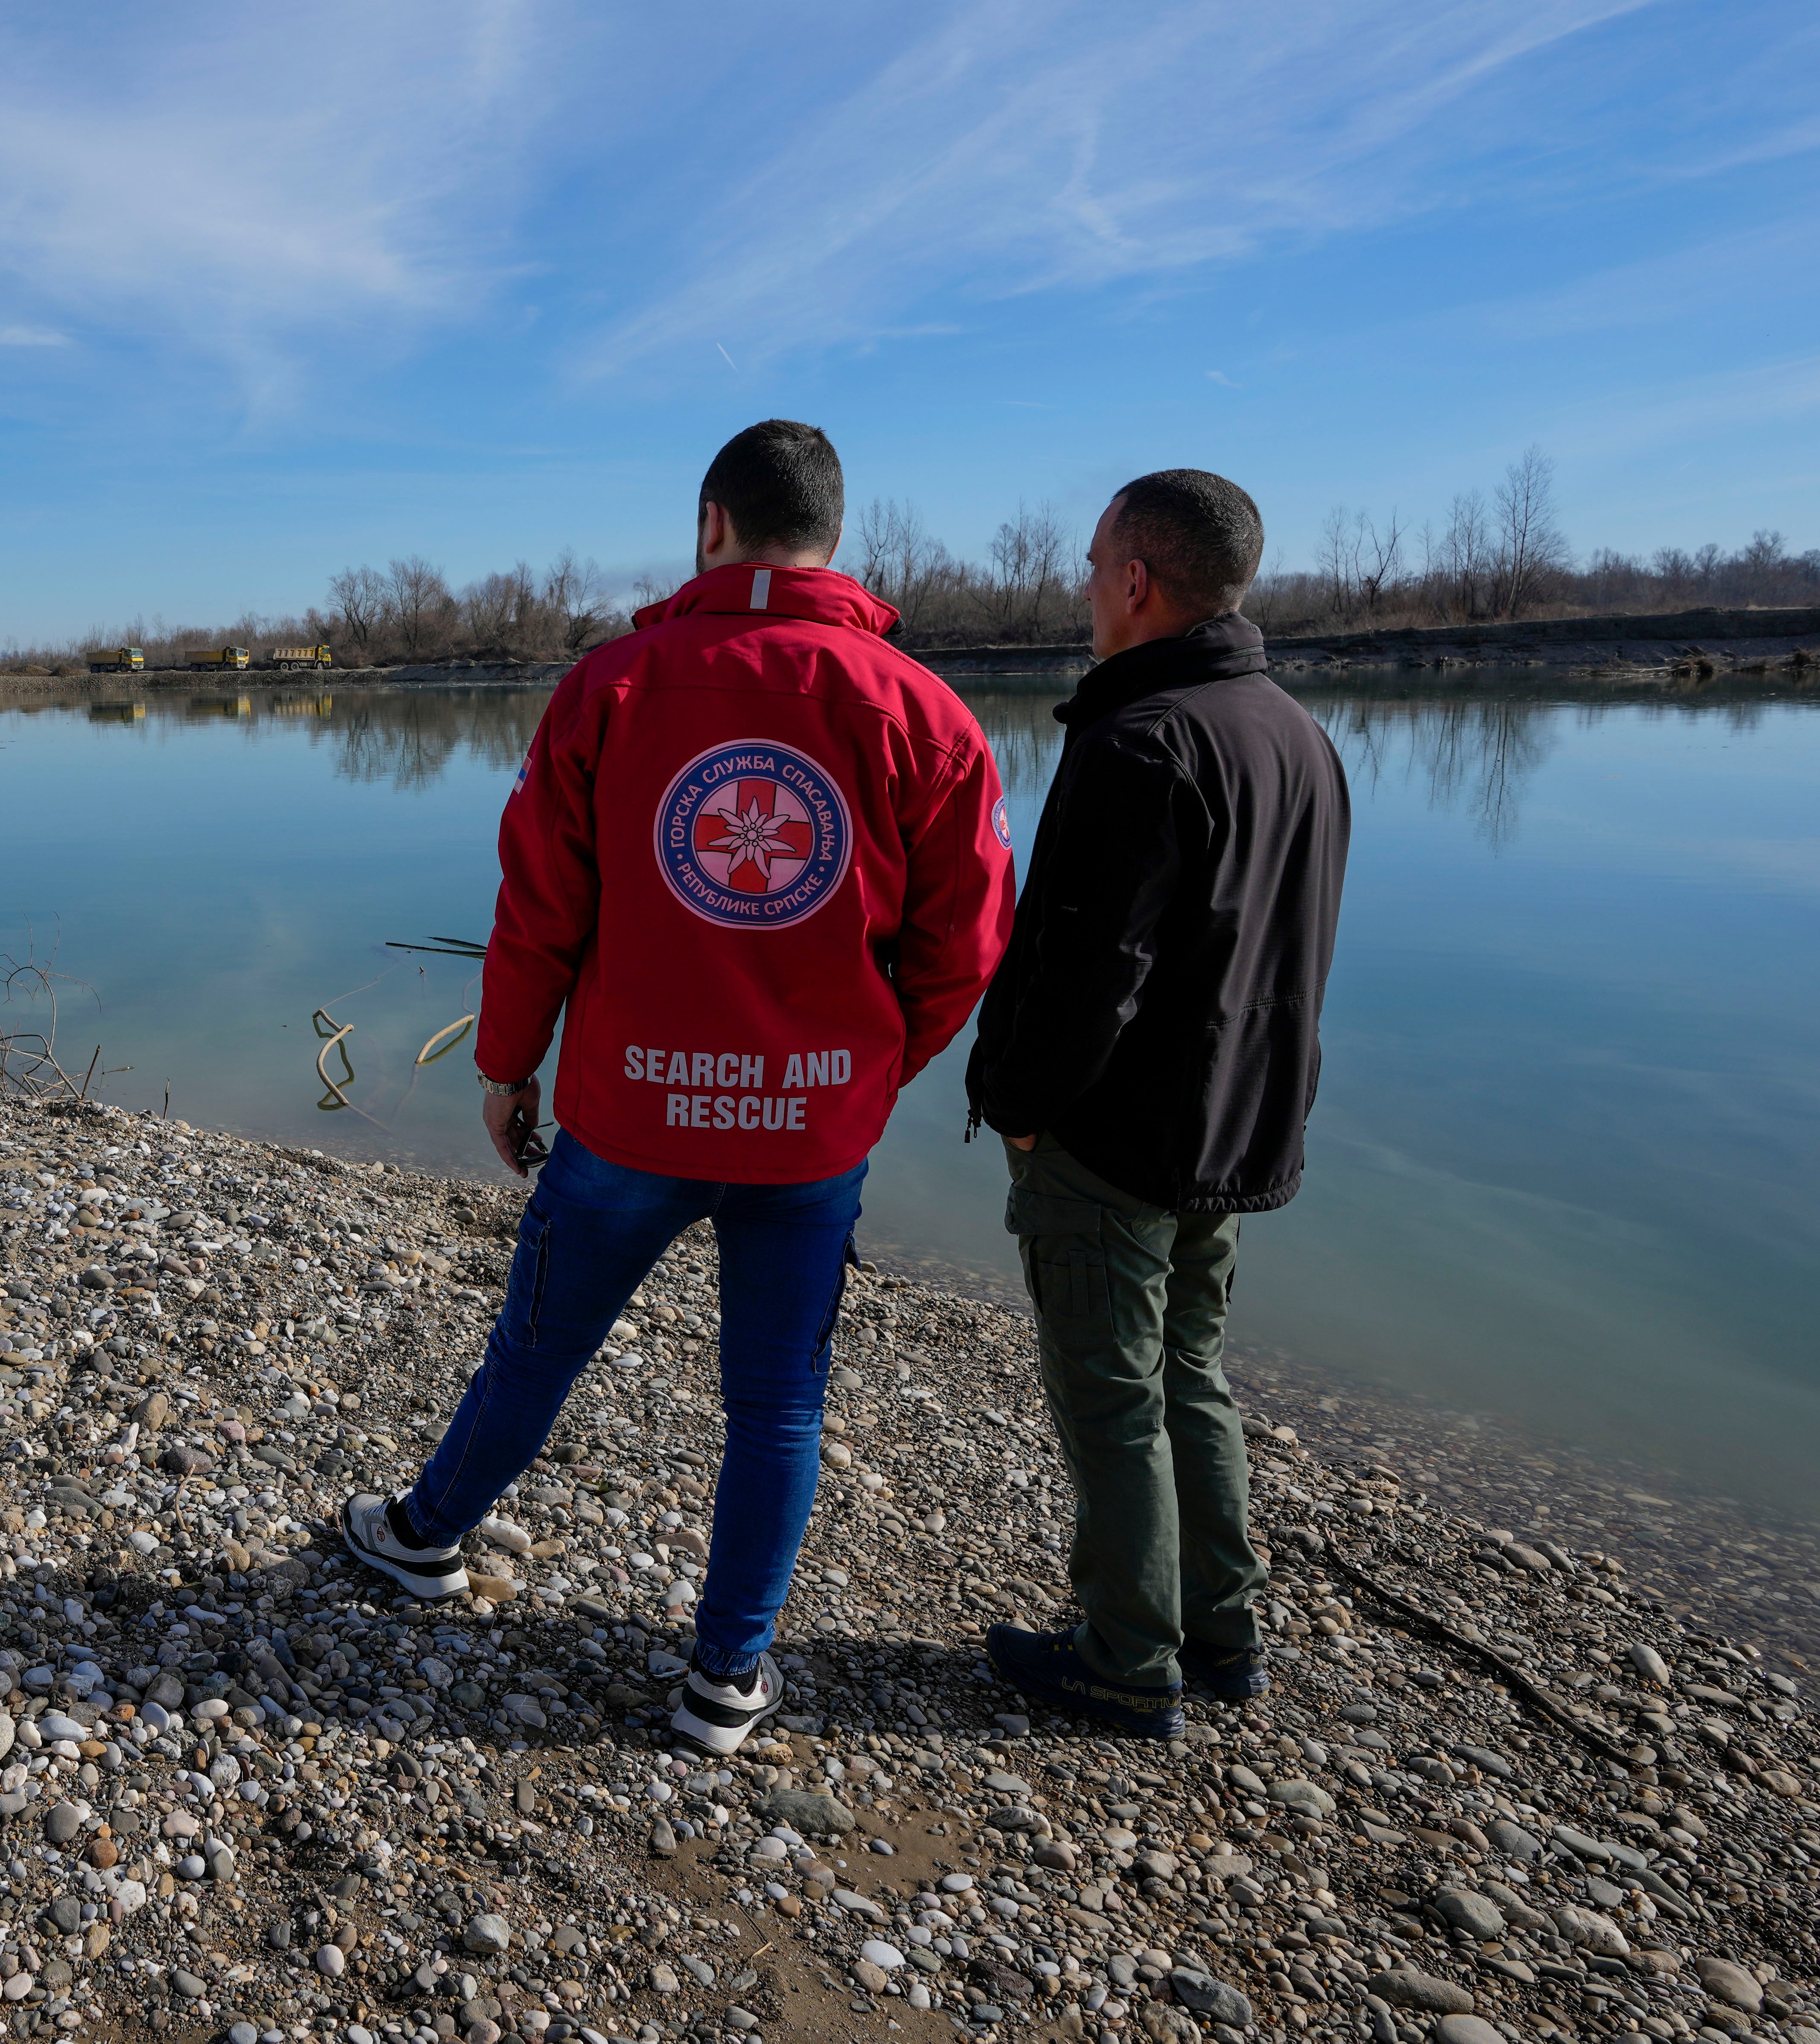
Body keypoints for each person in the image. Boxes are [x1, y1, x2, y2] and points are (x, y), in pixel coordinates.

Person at [340, 420, 1019, 1755]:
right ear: (833, 535)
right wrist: (871, 1073)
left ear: (712, 523)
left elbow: (540, 907)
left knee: (538, 1347)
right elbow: (969, 940)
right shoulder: (924, 713)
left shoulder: (613, 686)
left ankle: (424, 1537)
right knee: (777, 1405)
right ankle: (726, 1676)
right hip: (811, 1130)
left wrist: (504, 1064)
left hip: (628, 1116)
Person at [964, 469, 1351, 1739]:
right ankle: (1221, 1630)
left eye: (1092, 567)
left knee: (1115, 1392)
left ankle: (1129, 1656)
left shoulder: (1143, 739)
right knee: (1192, 1369)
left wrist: (1017, 1105)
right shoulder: (1296, 734)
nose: (1084, 590)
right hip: (1233, 1130)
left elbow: (1090, 973)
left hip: (1119, 1138)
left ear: (1138, 579)